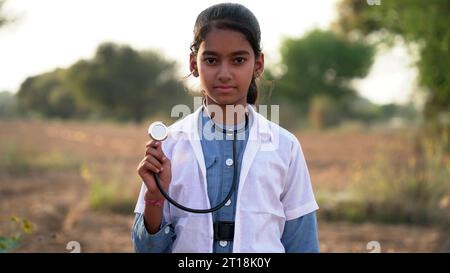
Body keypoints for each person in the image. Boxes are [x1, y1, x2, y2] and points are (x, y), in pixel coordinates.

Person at [132, 2, 319, 253]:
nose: (224, 73)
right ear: (193, 64)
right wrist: (154, 197)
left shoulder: (285, 147)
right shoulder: (169, 145)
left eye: (238, 60)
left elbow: (302, 243)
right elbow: (147, 250)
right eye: (211, 60)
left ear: (258, 64)